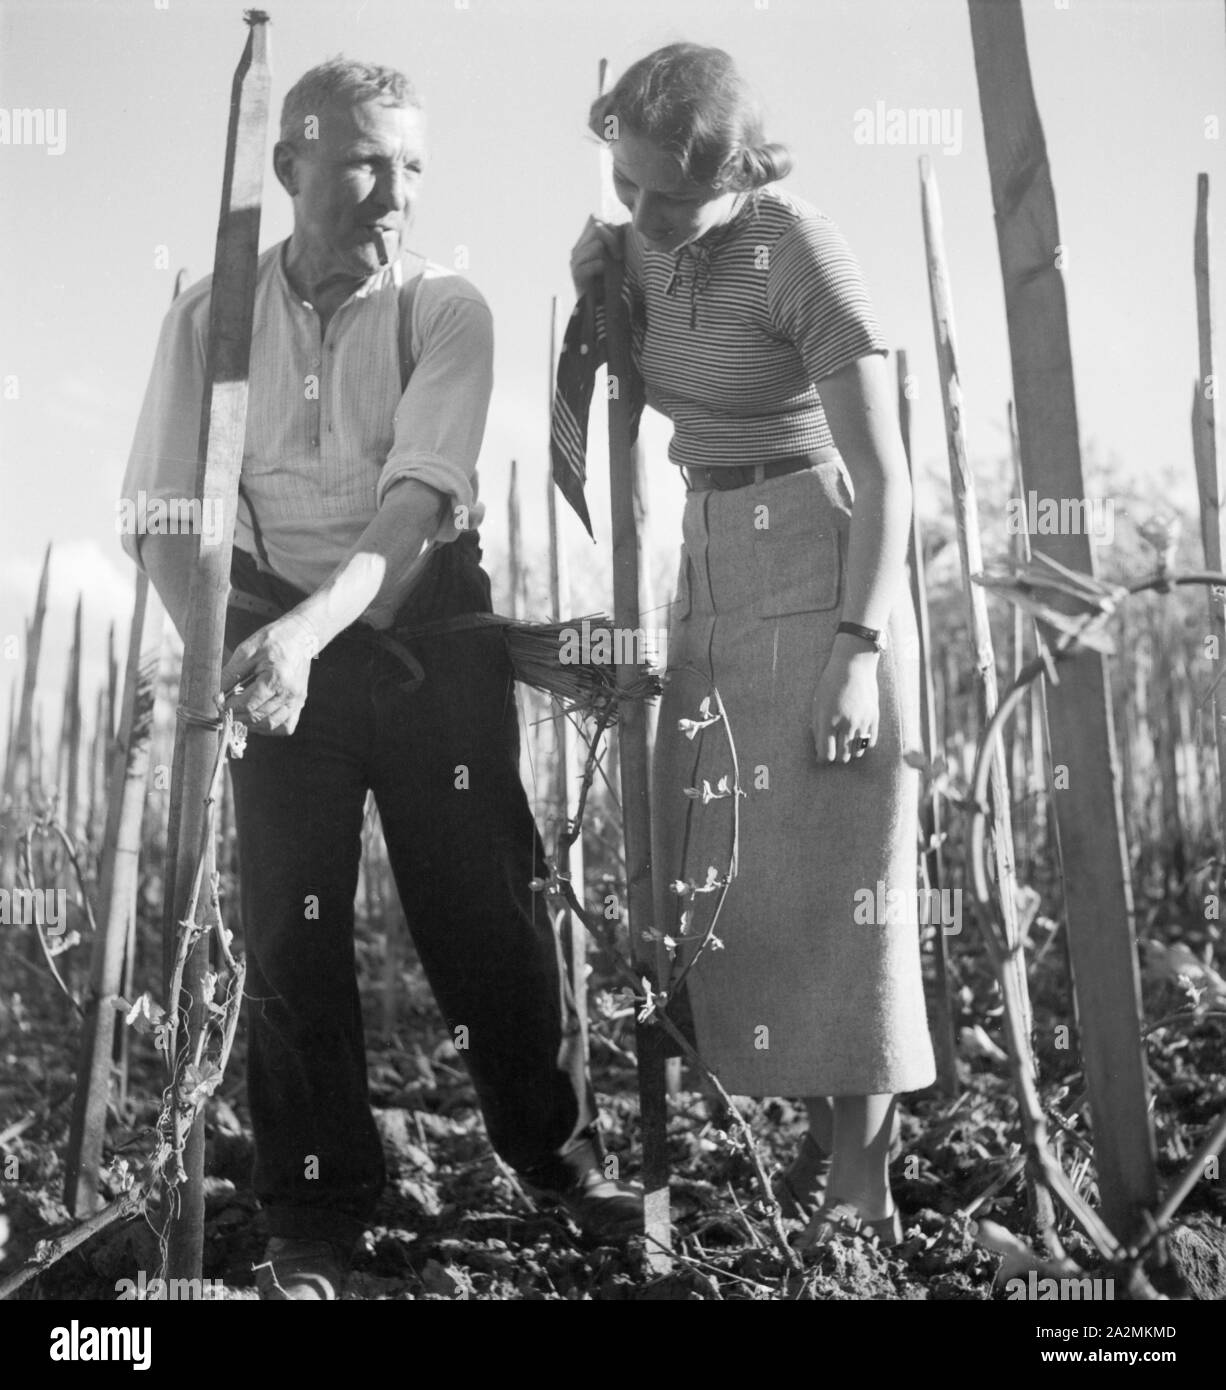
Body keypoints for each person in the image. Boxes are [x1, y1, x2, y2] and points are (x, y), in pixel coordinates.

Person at [121, 57, 639, 1300]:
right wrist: (229, 664)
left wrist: (308, 635)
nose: (389, 192)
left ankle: (557, 1162)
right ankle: (311, 1210)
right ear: (290, 163)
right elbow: (157, 511)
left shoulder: (444, 308)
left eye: (409, 166)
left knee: (483, 914)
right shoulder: (210, 316)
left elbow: (412, 513)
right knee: (290, 936)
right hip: (265, 650)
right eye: (360, 162)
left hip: (418, 638)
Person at [568, 42, 936, 1248]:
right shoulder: (630, 245)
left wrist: (857, 648)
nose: (645, 213)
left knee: (841, 886)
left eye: (669, 194)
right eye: (625, 186)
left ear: (737, 168)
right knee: (716, 872)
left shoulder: (797, 249)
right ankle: (748, 1173)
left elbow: (885, 480)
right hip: (708, 560)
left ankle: (857, 1192)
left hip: (819, 552)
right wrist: (598, 286)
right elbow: (605, 406)